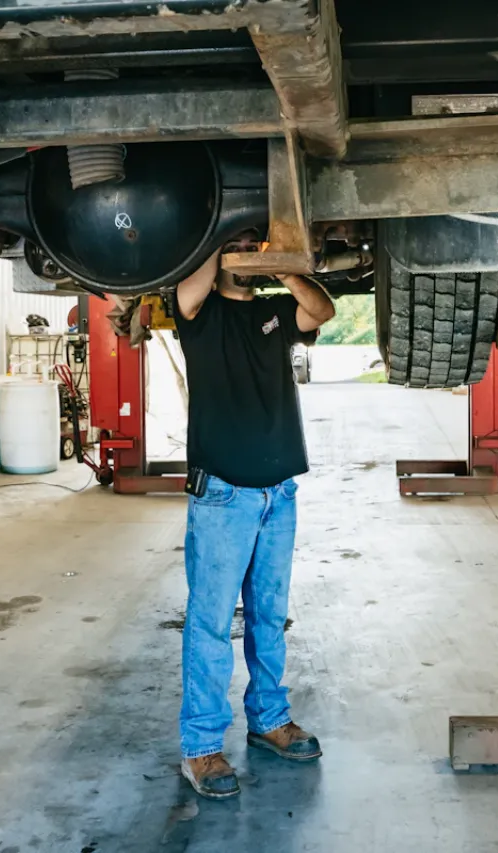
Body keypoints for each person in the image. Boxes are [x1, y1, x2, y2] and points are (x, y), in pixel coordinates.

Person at [172, 243, 336, 800]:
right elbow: (191, 288)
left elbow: (321, 312)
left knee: (270, 617)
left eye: (251, 247)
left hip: (278, 494)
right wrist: (217, 246)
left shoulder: (272, 312)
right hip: (222, 495)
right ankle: (200, 748)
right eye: (234, 249)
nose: (244, 256)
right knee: (211, 624)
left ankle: (269, 721)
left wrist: (283, 268)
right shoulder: (198, 315)